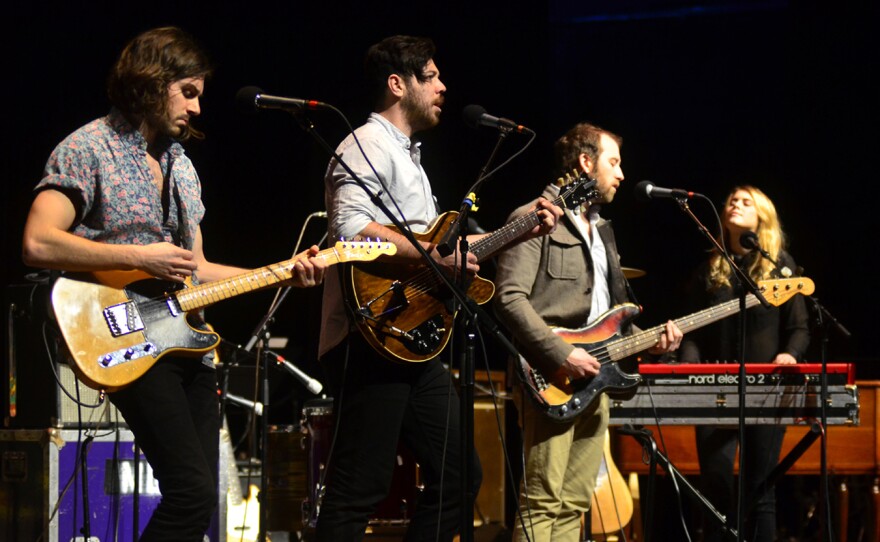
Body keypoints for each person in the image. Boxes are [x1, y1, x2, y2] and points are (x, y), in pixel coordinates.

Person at [21, 27, 325, 541]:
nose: (199, 108)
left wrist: (282, 272)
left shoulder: (182, 167)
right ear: (151, 82)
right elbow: (37, 241)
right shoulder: (88, 148)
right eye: (189, 92)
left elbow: (196, 269)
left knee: (202, 496)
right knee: (192, 492)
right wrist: (139, 256)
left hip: (187, 343)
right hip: (125, 334)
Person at [316, 35, 562, 541]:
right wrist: (434, 255)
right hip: (372, 334)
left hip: (411, 336)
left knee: (459, 476)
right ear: (397, 84)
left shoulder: (410, 157)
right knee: (359, 489)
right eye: (431, 77)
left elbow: (440, 252)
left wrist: (522, 228)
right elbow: (348, 229)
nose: (443, 87)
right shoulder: (363, 145)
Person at [493, 122, 682, 542]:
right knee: (542, 501)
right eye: (613, 162)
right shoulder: (533, 217)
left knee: (575, 503)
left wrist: (654, 341)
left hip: (596, 379)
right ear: (585, 162)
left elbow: (611, 313)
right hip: (551, 376)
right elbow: (508, 299)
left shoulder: (603, 232)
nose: (621, 174)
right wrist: (561, 355)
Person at [678, 185, 809, 542]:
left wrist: (789, 355)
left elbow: (799, 328)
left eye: (745, 201)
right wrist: (691, 367)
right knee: (716, 491)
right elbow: (692, 332)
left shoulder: (781, 266)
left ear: (761, 216)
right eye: (732, 201)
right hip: (714, 390)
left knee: (760, 493)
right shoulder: (710, 269)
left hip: (766, 389)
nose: (735, 204)